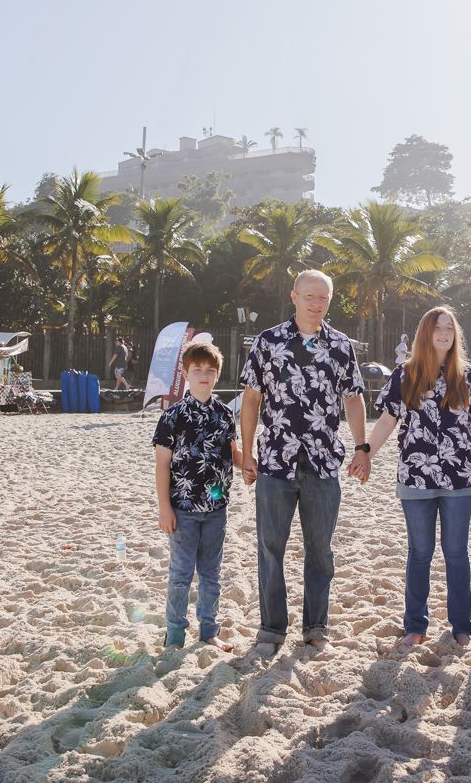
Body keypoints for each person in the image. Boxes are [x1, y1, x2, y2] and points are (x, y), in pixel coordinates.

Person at [239, 269, 367, 658]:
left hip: (323, 462)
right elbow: (250, 400)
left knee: (320, 550)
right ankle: (271, 629)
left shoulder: (341, 346)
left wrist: (362, 448)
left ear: (329, 301)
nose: (316, 303)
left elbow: (354, 398)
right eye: (309, 296)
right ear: (294, 296)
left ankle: (316, 628)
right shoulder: (268, 342)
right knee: (270, 548)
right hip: (275, 461)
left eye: (323, 298)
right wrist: (247, 453)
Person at [352, 306, 471, 648]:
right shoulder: (405, 374)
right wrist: (366, 451)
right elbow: (388, 421)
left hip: (460, 478)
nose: (444, 333)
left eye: (450, 327)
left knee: (457, 553)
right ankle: (415, 625)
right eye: (437, 327)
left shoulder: (468, 375)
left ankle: (462, 627)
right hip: (415, 477)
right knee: (419, 553)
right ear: (425, 334)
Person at [153, 340, 241, 650]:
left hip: (216, 507)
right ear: (186, 374)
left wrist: (252, 467)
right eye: (197, 369)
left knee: (211, 574)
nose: (204, 375)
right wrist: (165, 508)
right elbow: (163, 465)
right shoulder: (172, 416)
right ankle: (175, 634)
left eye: (210, 370)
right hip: (183, 509)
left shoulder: (225, 415)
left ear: (217, 375)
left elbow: (232, 454)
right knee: (180, 574)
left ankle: (209, 632)